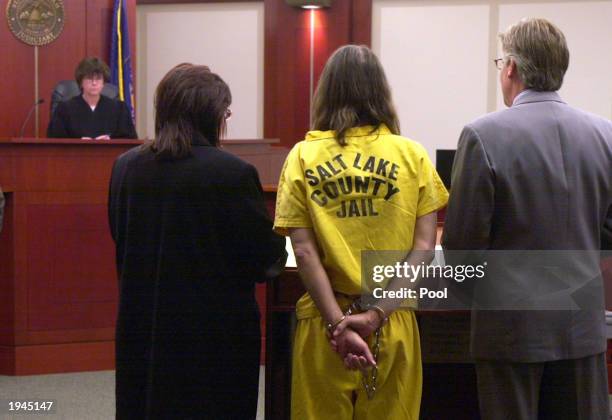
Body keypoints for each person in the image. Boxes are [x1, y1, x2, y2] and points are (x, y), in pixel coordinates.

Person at [442, 18, 612, 420]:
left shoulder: (482, 135)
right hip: (582, 326)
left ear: (512, 68)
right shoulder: (605, 135)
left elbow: (463, 246)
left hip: (509, 331)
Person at [274, 45, 448, 420]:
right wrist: (375, 316)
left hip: (325, 324)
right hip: (393, 319)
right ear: (381, 92)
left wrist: (339, 324)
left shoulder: (302, 156)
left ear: (326, 91)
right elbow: (423, 248)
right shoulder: (412, 155)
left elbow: (303, 252)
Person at [108, 63, 286, 419]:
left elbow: (120, 234)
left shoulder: (125, 167)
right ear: (211, 115)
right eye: (226, 113)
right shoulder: (232, 173)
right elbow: (263, 259)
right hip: (213, 338)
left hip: (144, 325)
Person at [47, 57, 137, 139]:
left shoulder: (119, 109)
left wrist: (110, 141)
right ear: (81, 82)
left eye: (98, 79)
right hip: (76, 155)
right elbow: (55, 143)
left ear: (103, 83)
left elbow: (129, 142)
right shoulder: (64, 109)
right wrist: (77, 143)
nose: (94, 83)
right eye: (89, 78)